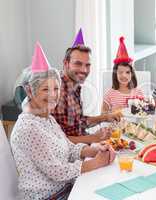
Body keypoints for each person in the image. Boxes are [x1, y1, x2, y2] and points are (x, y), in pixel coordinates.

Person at [10, 43, 115, 200]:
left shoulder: (46, 117)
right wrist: (95, 163)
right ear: (30, 91)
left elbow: (68, 148)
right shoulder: (28, 127)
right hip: (49, 196)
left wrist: (93, 150)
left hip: (66, 187)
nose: (53, 95)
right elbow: (57, 172)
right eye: (46, 89)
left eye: (56, 88)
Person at [52, 30, 122, 144]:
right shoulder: (58, 92)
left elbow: (77, 122)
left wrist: (105, 117)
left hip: (84, 141)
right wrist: (94, 138)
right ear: (66, 63)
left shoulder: (73, 85)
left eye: (87, 65)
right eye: (78, 64)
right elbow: (59, 140)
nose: (84, 70)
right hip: (73, 153)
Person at [102, 37, 144, 113]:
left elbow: (144, 112)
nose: (124, 75)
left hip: (134, 124)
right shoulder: (110, 94)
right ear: (115, 74)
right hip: (115, 124)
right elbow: (102, 113)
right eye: (120, 72)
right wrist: (112, 112)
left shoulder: (138, 93)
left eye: (127, 72)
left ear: (132, 74)